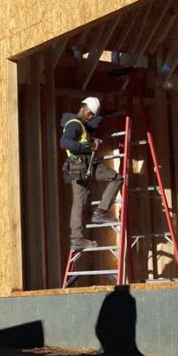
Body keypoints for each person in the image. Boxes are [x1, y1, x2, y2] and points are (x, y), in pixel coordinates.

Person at [61, 97, 123, 250]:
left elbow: (85, 133)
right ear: (86, 111)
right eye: (91, 115)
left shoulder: (79, 124)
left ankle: (76, 238)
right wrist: (90, 145)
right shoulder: (74, 125)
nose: (91, 119)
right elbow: (65, 143)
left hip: (77, 167)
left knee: (79, 203)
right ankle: (101, 211)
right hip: (83, 164)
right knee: (116, 178)